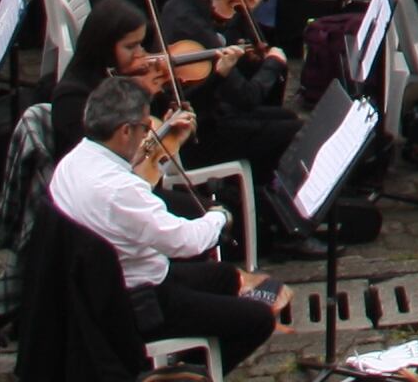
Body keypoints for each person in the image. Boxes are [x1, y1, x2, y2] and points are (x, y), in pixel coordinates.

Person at [49, 75, 285, 364]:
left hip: (105, 286)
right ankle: (189, 372)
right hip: (140, 303)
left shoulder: (73, 162)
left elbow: (129, 177)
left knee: (224, 277)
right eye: (146, 127)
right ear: (125, 131)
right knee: (258, 319)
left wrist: (165, 138)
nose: (148, 134)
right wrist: (219, 217)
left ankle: (192, 355)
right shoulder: (121, 190)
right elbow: (185, 242)